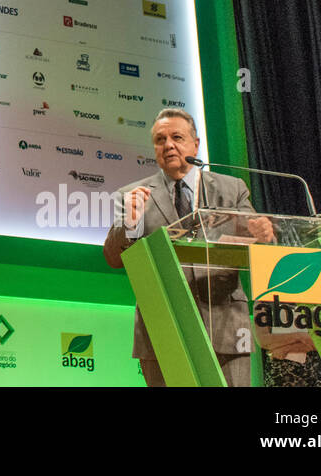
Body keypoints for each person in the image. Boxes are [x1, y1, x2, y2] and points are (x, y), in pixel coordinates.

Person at [103, 107, 275, 386]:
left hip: (227, 327)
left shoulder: (232, 189)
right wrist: (130, 224)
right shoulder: (132, 195)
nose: (168, 144)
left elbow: (257, 238)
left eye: (177, 137)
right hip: (162, 326)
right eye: (160, 140)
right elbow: (113, 257)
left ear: (196, 144)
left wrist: (263, 234)